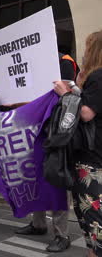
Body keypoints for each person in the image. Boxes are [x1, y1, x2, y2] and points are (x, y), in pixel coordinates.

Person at [14, 52, 78, 252]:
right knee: (35, 180)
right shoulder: (40, 67)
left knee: (57, 184)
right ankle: (38, 223)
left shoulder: (65, 65)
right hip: (38, 135)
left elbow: (73, 101)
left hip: (57, 138)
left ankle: (61, 235)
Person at [54, 30, 102, 257]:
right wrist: (77, 89)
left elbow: (86, 113)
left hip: (92, 160)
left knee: (92, 218)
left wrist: (65, 94)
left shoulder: (99, 75)